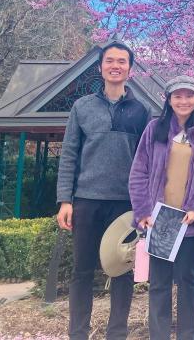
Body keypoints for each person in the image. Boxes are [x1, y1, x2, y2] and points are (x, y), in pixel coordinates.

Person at [56, 40, 150, 340]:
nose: (115, 66)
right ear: (101, 67)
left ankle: (117, 334)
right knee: (82, 271)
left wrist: (145, 204)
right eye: (110, 60)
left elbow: (146, 160)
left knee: (122, 272)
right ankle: (78, 334)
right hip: (86, 201)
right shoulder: (82, 107)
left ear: (130, 69)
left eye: (122, 61)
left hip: (125, 204)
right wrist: (64, 200)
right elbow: (69, 154)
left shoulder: (141, 110)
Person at [128, 75, 194, 340]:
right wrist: (142, 211)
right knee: (160, 285)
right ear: (169, 99)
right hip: (160, 220)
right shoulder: (155, 129)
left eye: (189, 96)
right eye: (178, 96)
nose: (183, 101)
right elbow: (139, 171)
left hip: (187, 221)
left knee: (188, 283)